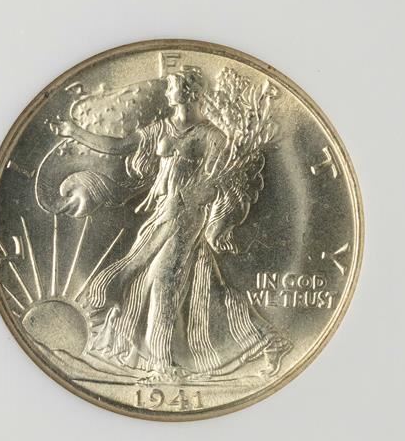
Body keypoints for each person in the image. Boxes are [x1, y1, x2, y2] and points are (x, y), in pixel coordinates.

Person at [51, 67, 289, 382]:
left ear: (189, 92)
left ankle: (162, 364)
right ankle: (266, 342)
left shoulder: (212, 137)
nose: (167, 91)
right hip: (163, 214)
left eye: (172, 86)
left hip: (187, 217)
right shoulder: (162, 128)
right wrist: (74, 132)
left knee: (163, 282)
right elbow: (119, 146)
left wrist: (215, 222)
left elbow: (223, 187)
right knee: (187, 284)